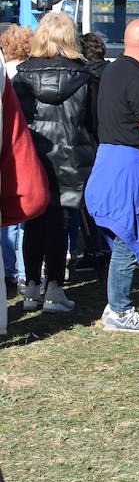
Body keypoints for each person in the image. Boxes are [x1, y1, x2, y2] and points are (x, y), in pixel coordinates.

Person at [85, 19, 139, 332]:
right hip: (129, 166)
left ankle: (115, 306)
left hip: (109, 159)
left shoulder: (112, 71)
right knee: (128, 237)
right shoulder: (137, 79)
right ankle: (119, 311)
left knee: (123, 235)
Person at [11, 13, 98, 314]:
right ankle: (55, 289)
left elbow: (16, 121)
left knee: (33, 222)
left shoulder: (21, 75)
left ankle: (32, 287)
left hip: (33, 156)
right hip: (71, 157)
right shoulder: (85, 75)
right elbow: (92, 122)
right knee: (60, 225)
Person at [1, 24, 33, 293]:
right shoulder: (27, 74)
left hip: (7, 144)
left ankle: (11, 269)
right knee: (22, 216)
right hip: (25, 142)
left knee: (8, 217)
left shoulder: (6, 71)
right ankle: (22, 270)